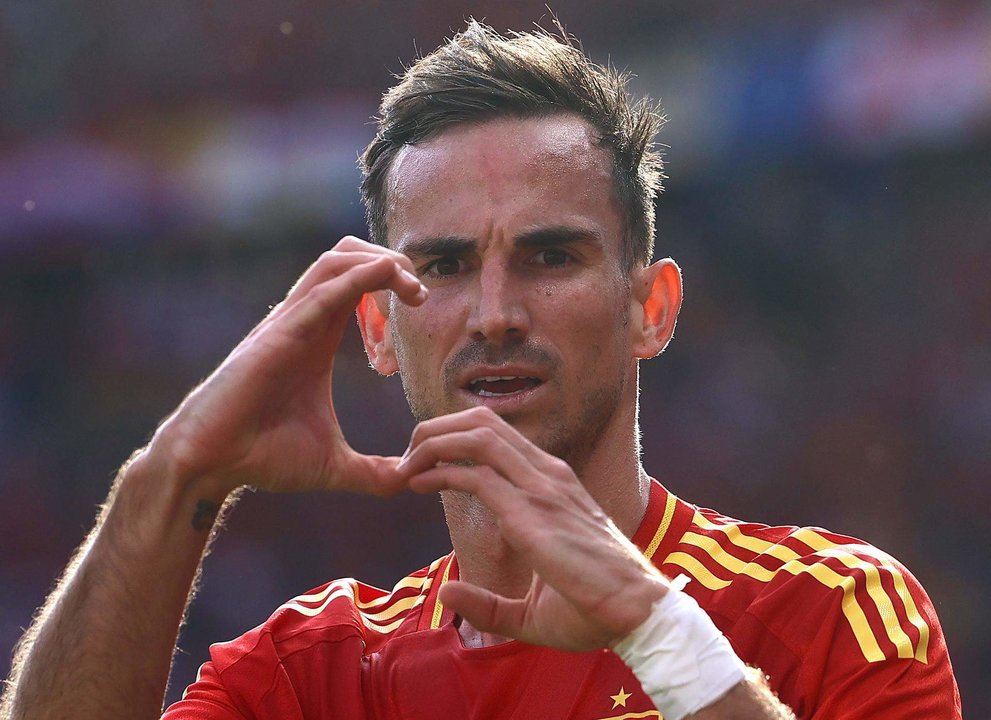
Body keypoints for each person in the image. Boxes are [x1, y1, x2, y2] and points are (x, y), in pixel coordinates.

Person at [0, 21, 961, 720]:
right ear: (376, 330)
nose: (495, 313)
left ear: (650, 309)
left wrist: (656, 632)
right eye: (444, 265)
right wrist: (169, 482)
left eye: (551, 257)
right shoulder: (312, 673)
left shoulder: (825, 606)